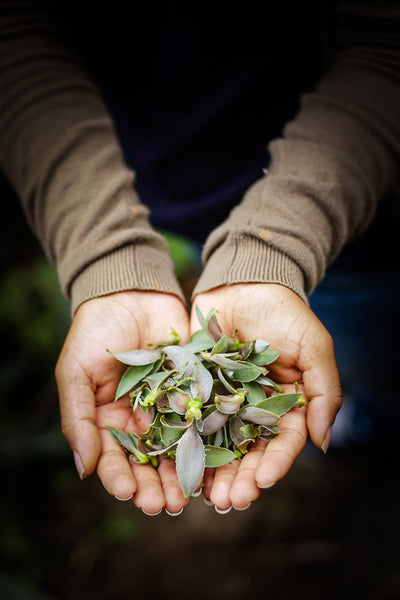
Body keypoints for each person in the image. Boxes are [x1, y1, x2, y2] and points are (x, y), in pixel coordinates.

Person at [0, 0, 399, 515]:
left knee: (375, 347)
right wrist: (107, 255)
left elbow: (385, 50)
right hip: (169, 193)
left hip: (352, 217)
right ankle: (362, 426)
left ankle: (378, 424)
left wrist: (273, 248)